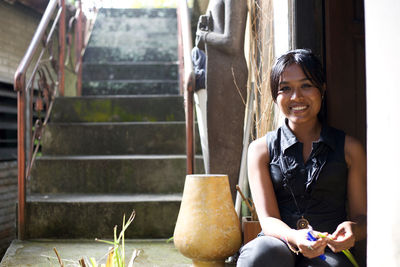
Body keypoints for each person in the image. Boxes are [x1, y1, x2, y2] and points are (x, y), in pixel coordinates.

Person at [237, 49, 367, 267]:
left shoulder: (350, 148)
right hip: (278, 245)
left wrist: (354, 229)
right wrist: (294, 237)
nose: (296, 97)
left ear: (322, 89)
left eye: (306, 85)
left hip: (327, 252)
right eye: (285, 88)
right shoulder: (260, 150)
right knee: (260, 254)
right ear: (275, 96)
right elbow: (268, 219)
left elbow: (362, 217)